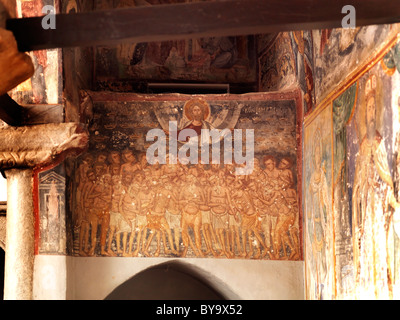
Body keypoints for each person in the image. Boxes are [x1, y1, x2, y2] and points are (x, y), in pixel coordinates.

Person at [352, 76, 400, 299]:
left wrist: (386, 187)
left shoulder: (380, 141)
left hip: (379, 203)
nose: (371, 113)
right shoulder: (362, 144)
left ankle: (382, 286)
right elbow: (359, 179)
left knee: (379, 243)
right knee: (367, 244)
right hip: (368, 203)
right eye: (368, 109)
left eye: (373, 108)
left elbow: (385, 173)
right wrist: (363, 186)